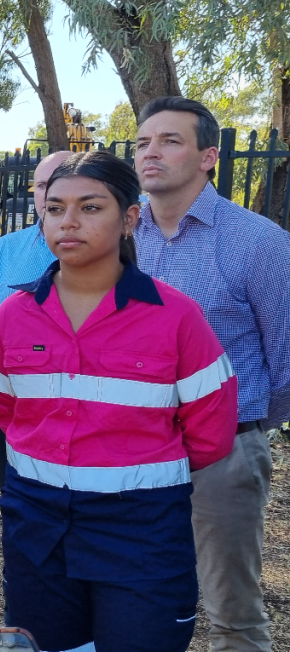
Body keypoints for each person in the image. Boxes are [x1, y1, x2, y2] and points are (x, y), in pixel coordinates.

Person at [0, 151, 238, 652]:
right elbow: (8, 412)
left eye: (90, 207)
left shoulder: (176, 318)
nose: (68, 222)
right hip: (38, 533)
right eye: (54, 209)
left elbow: (210, 434)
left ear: (130, 218)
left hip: (140, 536)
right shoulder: (14, 317)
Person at [133, 96, 290, 652]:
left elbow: (285, 362)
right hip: (133, 450)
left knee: (233, 615)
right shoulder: (122, 239)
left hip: (224, 454)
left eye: (169, 141)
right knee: (137, 599)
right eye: (143, 142)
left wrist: (239, 430)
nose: (151, 152)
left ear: (208, 157)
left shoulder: (260, 243)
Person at [0, 151, 71, 492]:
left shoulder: (114, 252)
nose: (50, 194)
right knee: (17, 503)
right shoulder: (6, 250)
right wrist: (5, 377)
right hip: (12, 405)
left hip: (82, 409)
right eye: (42, 185)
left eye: (60, 182)